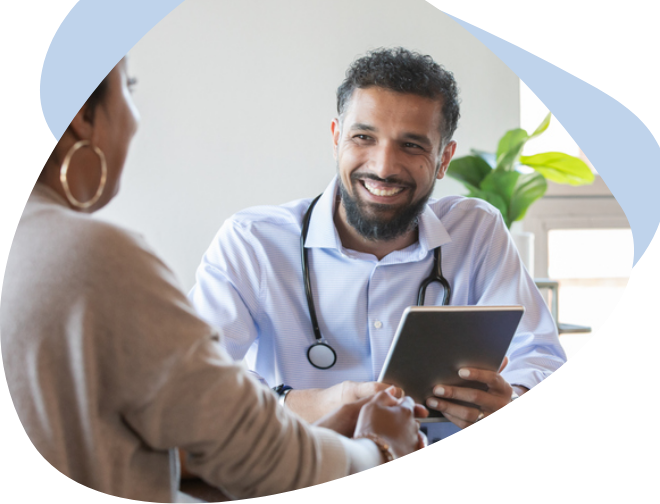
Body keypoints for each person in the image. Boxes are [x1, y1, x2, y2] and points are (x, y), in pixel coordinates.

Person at [0, 58, 427, 504]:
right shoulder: (94, 257)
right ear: (80, 117)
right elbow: (260, 459)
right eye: (129, 87)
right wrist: (378, 447)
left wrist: (319, 430)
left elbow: (178, 433)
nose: (384, 165)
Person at [188, 47, 568, 442]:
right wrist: (304, 404)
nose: (384, 167)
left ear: (444, 158)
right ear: (337, 138)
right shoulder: (253, 242)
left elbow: (539, 356)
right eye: (363, 137)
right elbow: (193, 380)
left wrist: (512, 395)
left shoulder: (477, 231)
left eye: (412, 145)